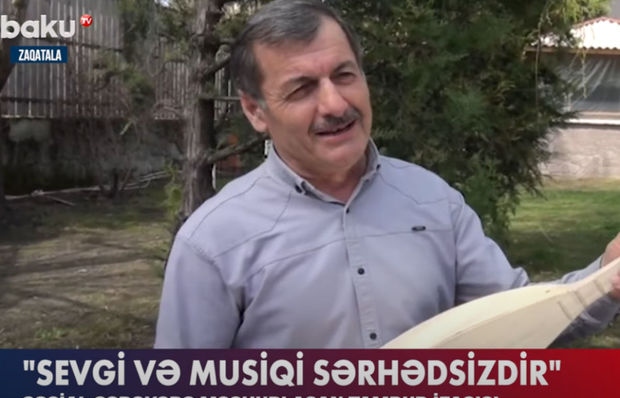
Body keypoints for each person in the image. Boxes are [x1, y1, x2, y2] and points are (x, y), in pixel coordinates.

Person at [154, 0, 620, 348]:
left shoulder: (434, 202)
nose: (335, 104)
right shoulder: (213, 243)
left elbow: (528, 321)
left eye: (344, 75)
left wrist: (606, 275)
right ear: (255, 111)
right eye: (301, 89)